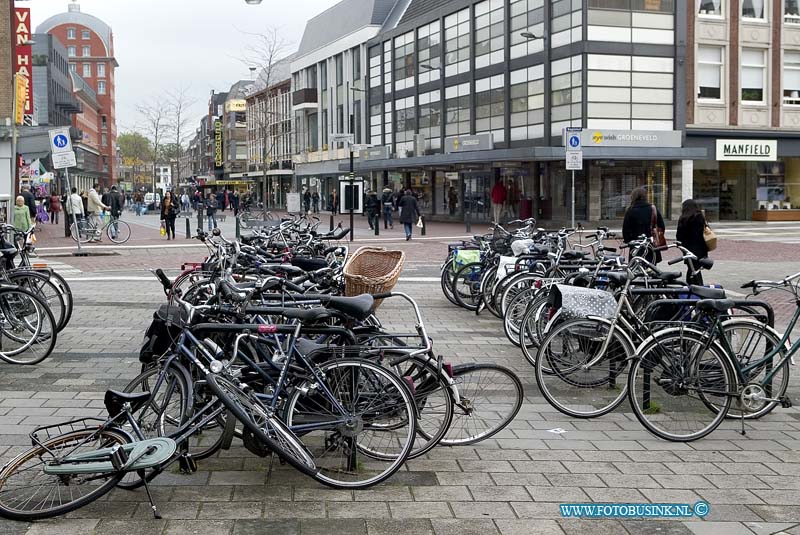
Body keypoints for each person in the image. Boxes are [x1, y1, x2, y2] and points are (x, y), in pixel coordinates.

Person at [622, 186, 665, 264]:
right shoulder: (652, 208)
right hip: (651, 244)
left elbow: (626, 229)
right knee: (651, 268)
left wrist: (628, 241)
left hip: (636, 245)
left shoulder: (630, 210)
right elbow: (661, 226)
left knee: (636, 268)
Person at [676, 199, 710, 285]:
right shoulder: (699, 216)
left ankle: (691, 285)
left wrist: (682, 246)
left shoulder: (683, 218)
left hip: (687, 248)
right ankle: (697, 286)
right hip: (699, 248)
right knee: (696, 269)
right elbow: (701, 233)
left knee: (691, 268)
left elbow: (679, 236)